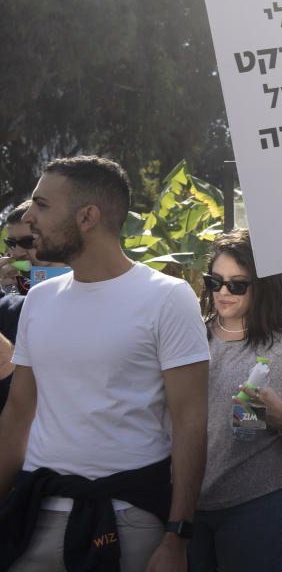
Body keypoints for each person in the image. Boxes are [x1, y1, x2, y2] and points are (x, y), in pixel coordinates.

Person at [0, 155, 210, 571]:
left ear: (88, 217)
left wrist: (177, 536)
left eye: (42, 205)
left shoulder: (167, 297)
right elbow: (17, 416)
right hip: (34, 513)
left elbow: (190, 422)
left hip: (129, 521)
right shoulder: (39, 301)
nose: (29, 217)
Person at [188, 229, 282, 571]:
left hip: (257, 504)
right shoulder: (189, 335)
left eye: (237, 284)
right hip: (185, 501)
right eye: (214, 281)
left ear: (262, 285)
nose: (223, 291)